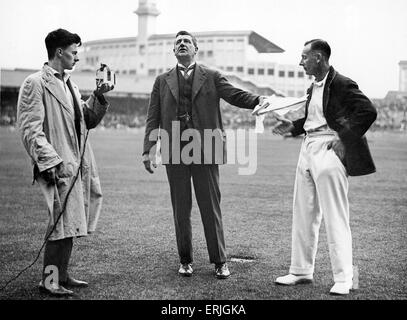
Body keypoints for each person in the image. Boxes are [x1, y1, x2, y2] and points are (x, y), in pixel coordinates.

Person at [142, 31, 264, 279]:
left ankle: (220, 262)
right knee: (181, 209)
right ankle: (185, 260)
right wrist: (148, 149)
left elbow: (234, 94)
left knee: (210, 207)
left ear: (196, 49)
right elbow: (153, 116)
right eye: (178, 42)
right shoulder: (161, 81)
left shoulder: (212, 76)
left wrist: (257, 100)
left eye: (187, 41)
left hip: (206, 149)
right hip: (175, 150)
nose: (182, 44)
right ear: (173, 51)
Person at [270, 39, 377, 295]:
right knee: (303, 212)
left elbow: (368, 110)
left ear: (318, 57)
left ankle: (344, 278)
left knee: (335, 215)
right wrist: (293, 127)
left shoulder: (341, 83)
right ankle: (300, 271)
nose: (300, 61)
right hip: (307, 148)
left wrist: (345, 138)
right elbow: (312, 119)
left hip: (329, 149)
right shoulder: (312, 88)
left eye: (304, 56)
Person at [17, 28, 113, 296]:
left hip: (75, 164)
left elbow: (87, 120)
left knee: (69, 224)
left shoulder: (69, 84)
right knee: (57, 226)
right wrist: (49, 163)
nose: (77, 58)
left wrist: (99, 95)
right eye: (74, 52)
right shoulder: (35, 83)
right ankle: (49, 281)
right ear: (59, 52)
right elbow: (30, 129)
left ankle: (63, 274)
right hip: (56, 165)